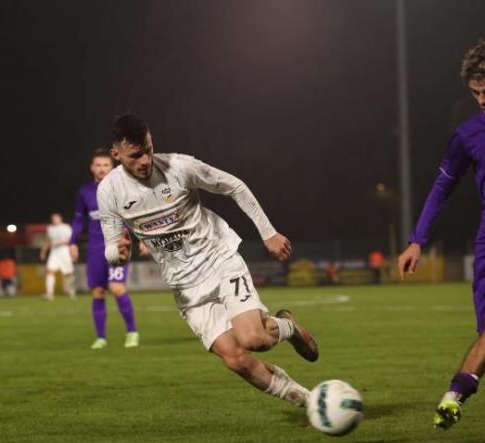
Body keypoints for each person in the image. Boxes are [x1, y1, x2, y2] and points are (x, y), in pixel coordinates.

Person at [97, 112, 318, 408]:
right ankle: (310, 402)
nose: (146, 160)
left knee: (254, 339)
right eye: (136, 155)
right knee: (236, 360)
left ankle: (288, 327)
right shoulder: (109, 191)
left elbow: (234, 186)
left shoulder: (180, 167)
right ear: (116, 155)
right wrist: (117, 254)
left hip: (219, 260)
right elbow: (112, 247)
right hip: (185, 286)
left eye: (149, 149)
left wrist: (268, 233)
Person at [397, 40, 485, 430]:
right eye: (476, 93)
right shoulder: (467, 135)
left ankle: (455, 394)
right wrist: (417, 239)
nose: (483, 100)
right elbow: (442, 189)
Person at [70, 149, 140, 349]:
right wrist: (72, 242)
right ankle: (101, 338)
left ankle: (132, 332)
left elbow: (136, 216)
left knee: (117, 288)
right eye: (98, 165)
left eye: (105, 165)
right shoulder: (84, 192)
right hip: (95, 248)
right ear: (92, 167)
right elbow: (78, 220)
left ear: (113, 167)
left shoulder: (122, 189)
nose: (101, 169)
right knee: (98, 292)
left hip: (118, 245)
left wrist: (144, 239)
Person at [40, 212, 76, 300]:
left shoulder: (66, 227)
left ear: (60, 219)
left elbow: (71, 240)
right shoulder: (50, 228)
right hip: (54, 252)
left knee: (68, 273)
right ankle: (50, 294)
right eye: (53, 218)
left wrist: (73, 252)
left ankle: (71, 291)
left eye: (56, 218)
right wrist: (43, 251)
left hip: (64, 251)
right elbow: (48, 241)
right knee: (49, 271)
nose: (54, 220)